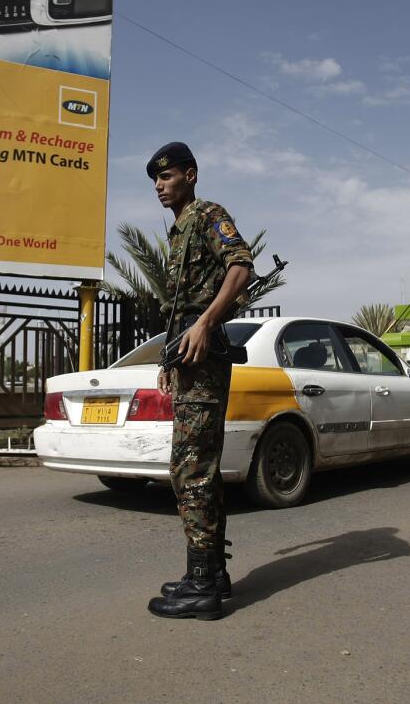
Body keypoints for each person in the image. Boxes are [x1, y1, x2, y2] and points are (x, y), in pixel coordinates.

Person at [145, 141, 253, 621]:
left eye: (166, 177)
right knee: (198, 466)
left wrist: (206, 323)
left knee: (191, 468)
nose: (158, 186)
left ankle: (202, 586)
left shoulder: (209, 214)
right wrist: (172, 358)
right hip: (189, 361)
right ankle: (210, 573)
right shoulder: (179, 231)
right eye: (155, 180)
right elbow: (181, 307)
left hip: (205, 360)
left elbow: (241, 266)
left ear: (190, 174)